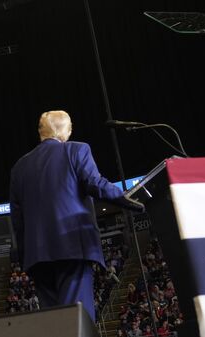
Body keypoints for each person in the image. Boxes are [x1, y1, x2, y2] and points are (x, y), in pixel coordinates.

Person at [10, 110, 138, 321]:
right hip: (71, 248)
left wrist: (26, 258)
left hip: (37, 258)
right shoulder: (77, 150)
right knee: (77, 320)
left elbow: (18, 220)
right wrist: (130, 198)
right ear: (66, 130)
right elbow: (96, 184)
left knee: (54, 325)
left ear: (41, 132)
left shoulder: (19, 167)